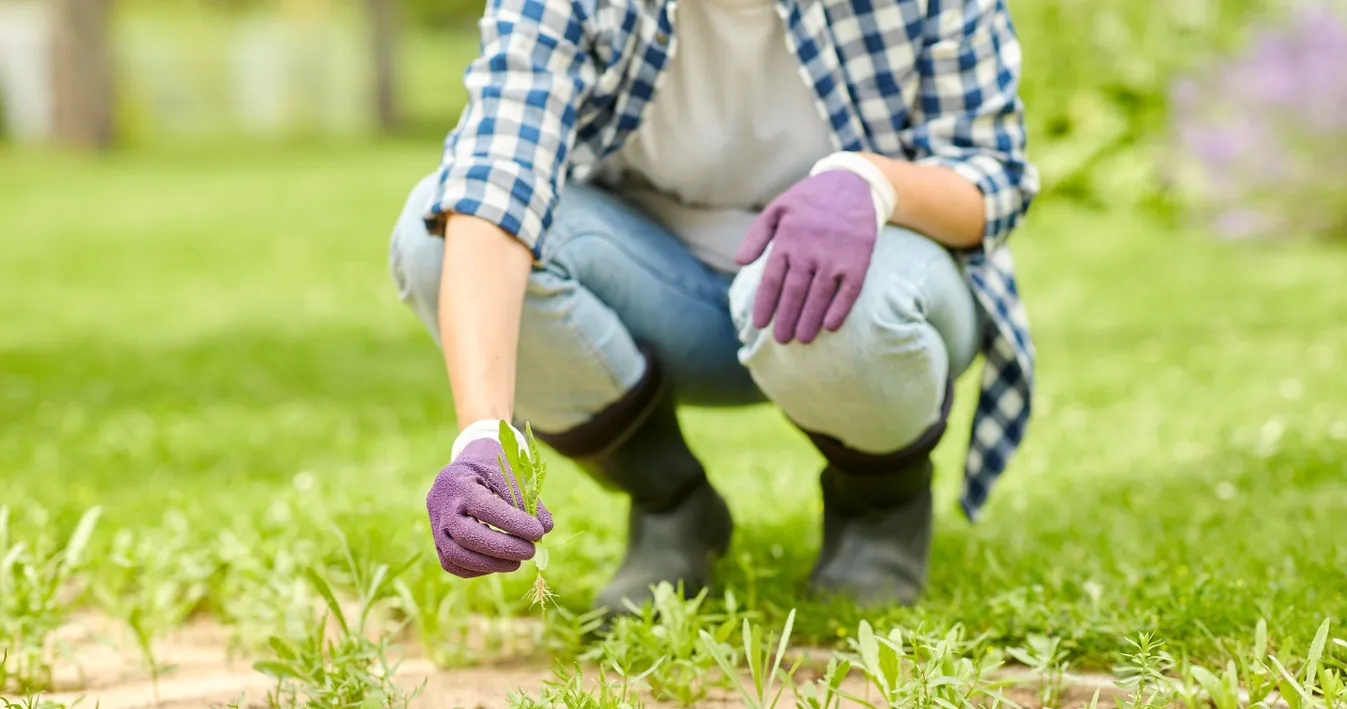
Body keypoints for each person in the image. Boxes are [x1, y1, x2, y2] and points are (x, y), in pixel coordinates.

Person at [388, 0, 1039, 615]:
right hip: (660, 290)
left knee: (841, 295)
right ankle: (672, 504)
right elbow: (494, 179)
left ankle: (879, 511)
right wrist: (484, 437)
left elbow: (994, 176)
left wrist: (873, 184)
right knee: (435, 238)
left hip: (873, 281)